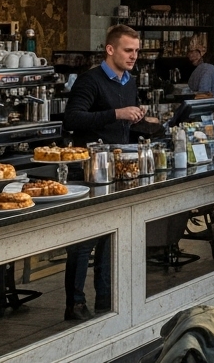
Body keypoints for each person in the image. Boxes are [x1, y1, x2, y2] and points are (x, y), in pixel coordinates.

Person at [61, 24, 144, 321]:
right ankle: (75, 304)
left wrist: (139, 118)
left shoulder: (129, 81)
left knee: (111, 236)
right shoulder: (90, 80)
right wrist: (117, 114)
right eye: (128, 50)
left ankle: (105, 299)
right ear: (110, 50)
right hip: (89, 169)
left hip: (118, 167)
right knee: (84, 240)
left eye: (136, 51)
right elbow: (72, 119)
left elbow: (121, 124)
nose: (133, 56)